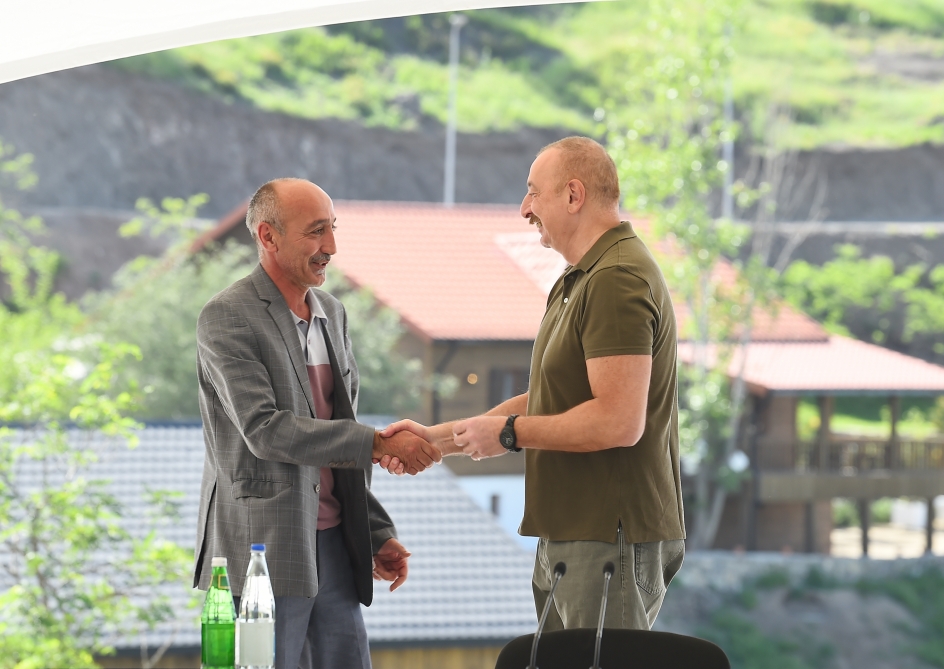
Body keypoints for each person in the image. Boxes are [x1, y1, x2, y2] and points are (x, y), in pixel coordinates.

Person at [383, 136, 685, 631]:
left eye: (533, 192)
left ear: (573, 195)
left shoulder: (616, 279)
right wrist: (435, 440)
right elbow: (550, 400)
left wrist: (510, 434)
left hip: (607, 535)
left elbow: (617, 421)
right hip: (571, 532)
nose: (524, 208)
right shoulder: (579, 278)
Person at [193, 178, 441, 669]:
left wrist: (374, 531)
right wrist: (377, 443)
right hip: (263, 549)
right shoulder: (227, 316)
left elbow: (335, 436)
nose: (331, 246)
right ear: (268, 236)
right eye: (315, 232)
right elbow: (266, 430)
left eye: (332, 229)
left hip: (335, 546)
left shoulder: (332, 312)